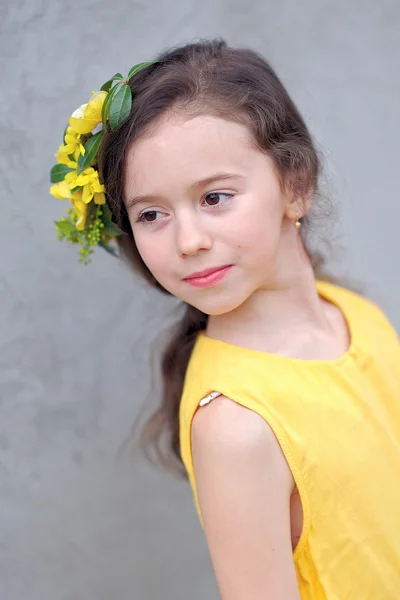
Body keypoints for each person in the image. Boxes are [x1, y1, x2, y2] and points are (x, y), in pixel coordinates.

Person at [50, 39, 400, 599]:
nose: (188, 241)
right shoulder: (236, 426)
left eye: (214, 197)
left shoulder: (357, 317)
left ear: (295, 184)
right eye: (152, 214)